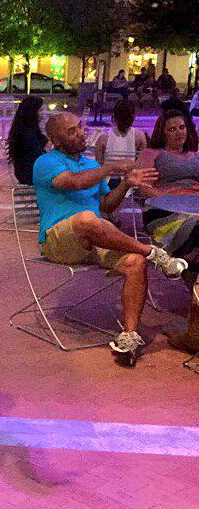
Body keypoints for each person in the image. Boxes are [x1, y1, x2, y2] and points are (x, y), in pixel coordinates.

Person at [33, 113, 188, 365]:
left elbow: (106, 205)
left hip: (95, 239)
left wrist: (125, 184)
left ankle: (130, 336)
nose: (80, 133)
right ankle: (154, 253)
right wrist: (111, 167)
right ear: (55, 140)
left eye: (79, 127)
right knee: (86, 219)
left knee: (135, 261)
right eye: (71, 131)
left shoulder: (90, 164)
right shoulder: (45, 162)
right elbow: (74, 183)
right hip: (58, 241)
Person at [135, 109, 199, 354]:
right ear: (162, 132)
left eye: (182, 127)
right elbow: (144, 189)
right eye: (171, 129)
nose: (178, 133)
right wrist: (174, 192)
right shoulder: (152, 154)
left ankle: (195, 326)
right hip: (163, 214)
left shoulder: (195, 155)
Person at [93, 97, 148, 175]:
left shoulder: (103, 138)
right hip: (129, 179)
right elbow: (141, 167)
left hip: (113, 179)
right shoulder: (140, 136)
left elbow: (98, 168)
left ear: (114, 117)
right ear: (133, 118)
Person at [6, 95, 47, 186]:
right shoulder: (27, 133)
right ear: (32, 112)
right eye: (40, 110)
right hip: (29, 174)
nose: (44, 113)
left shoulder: (26, 128)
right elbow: (39, 155)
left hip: (26, 172)